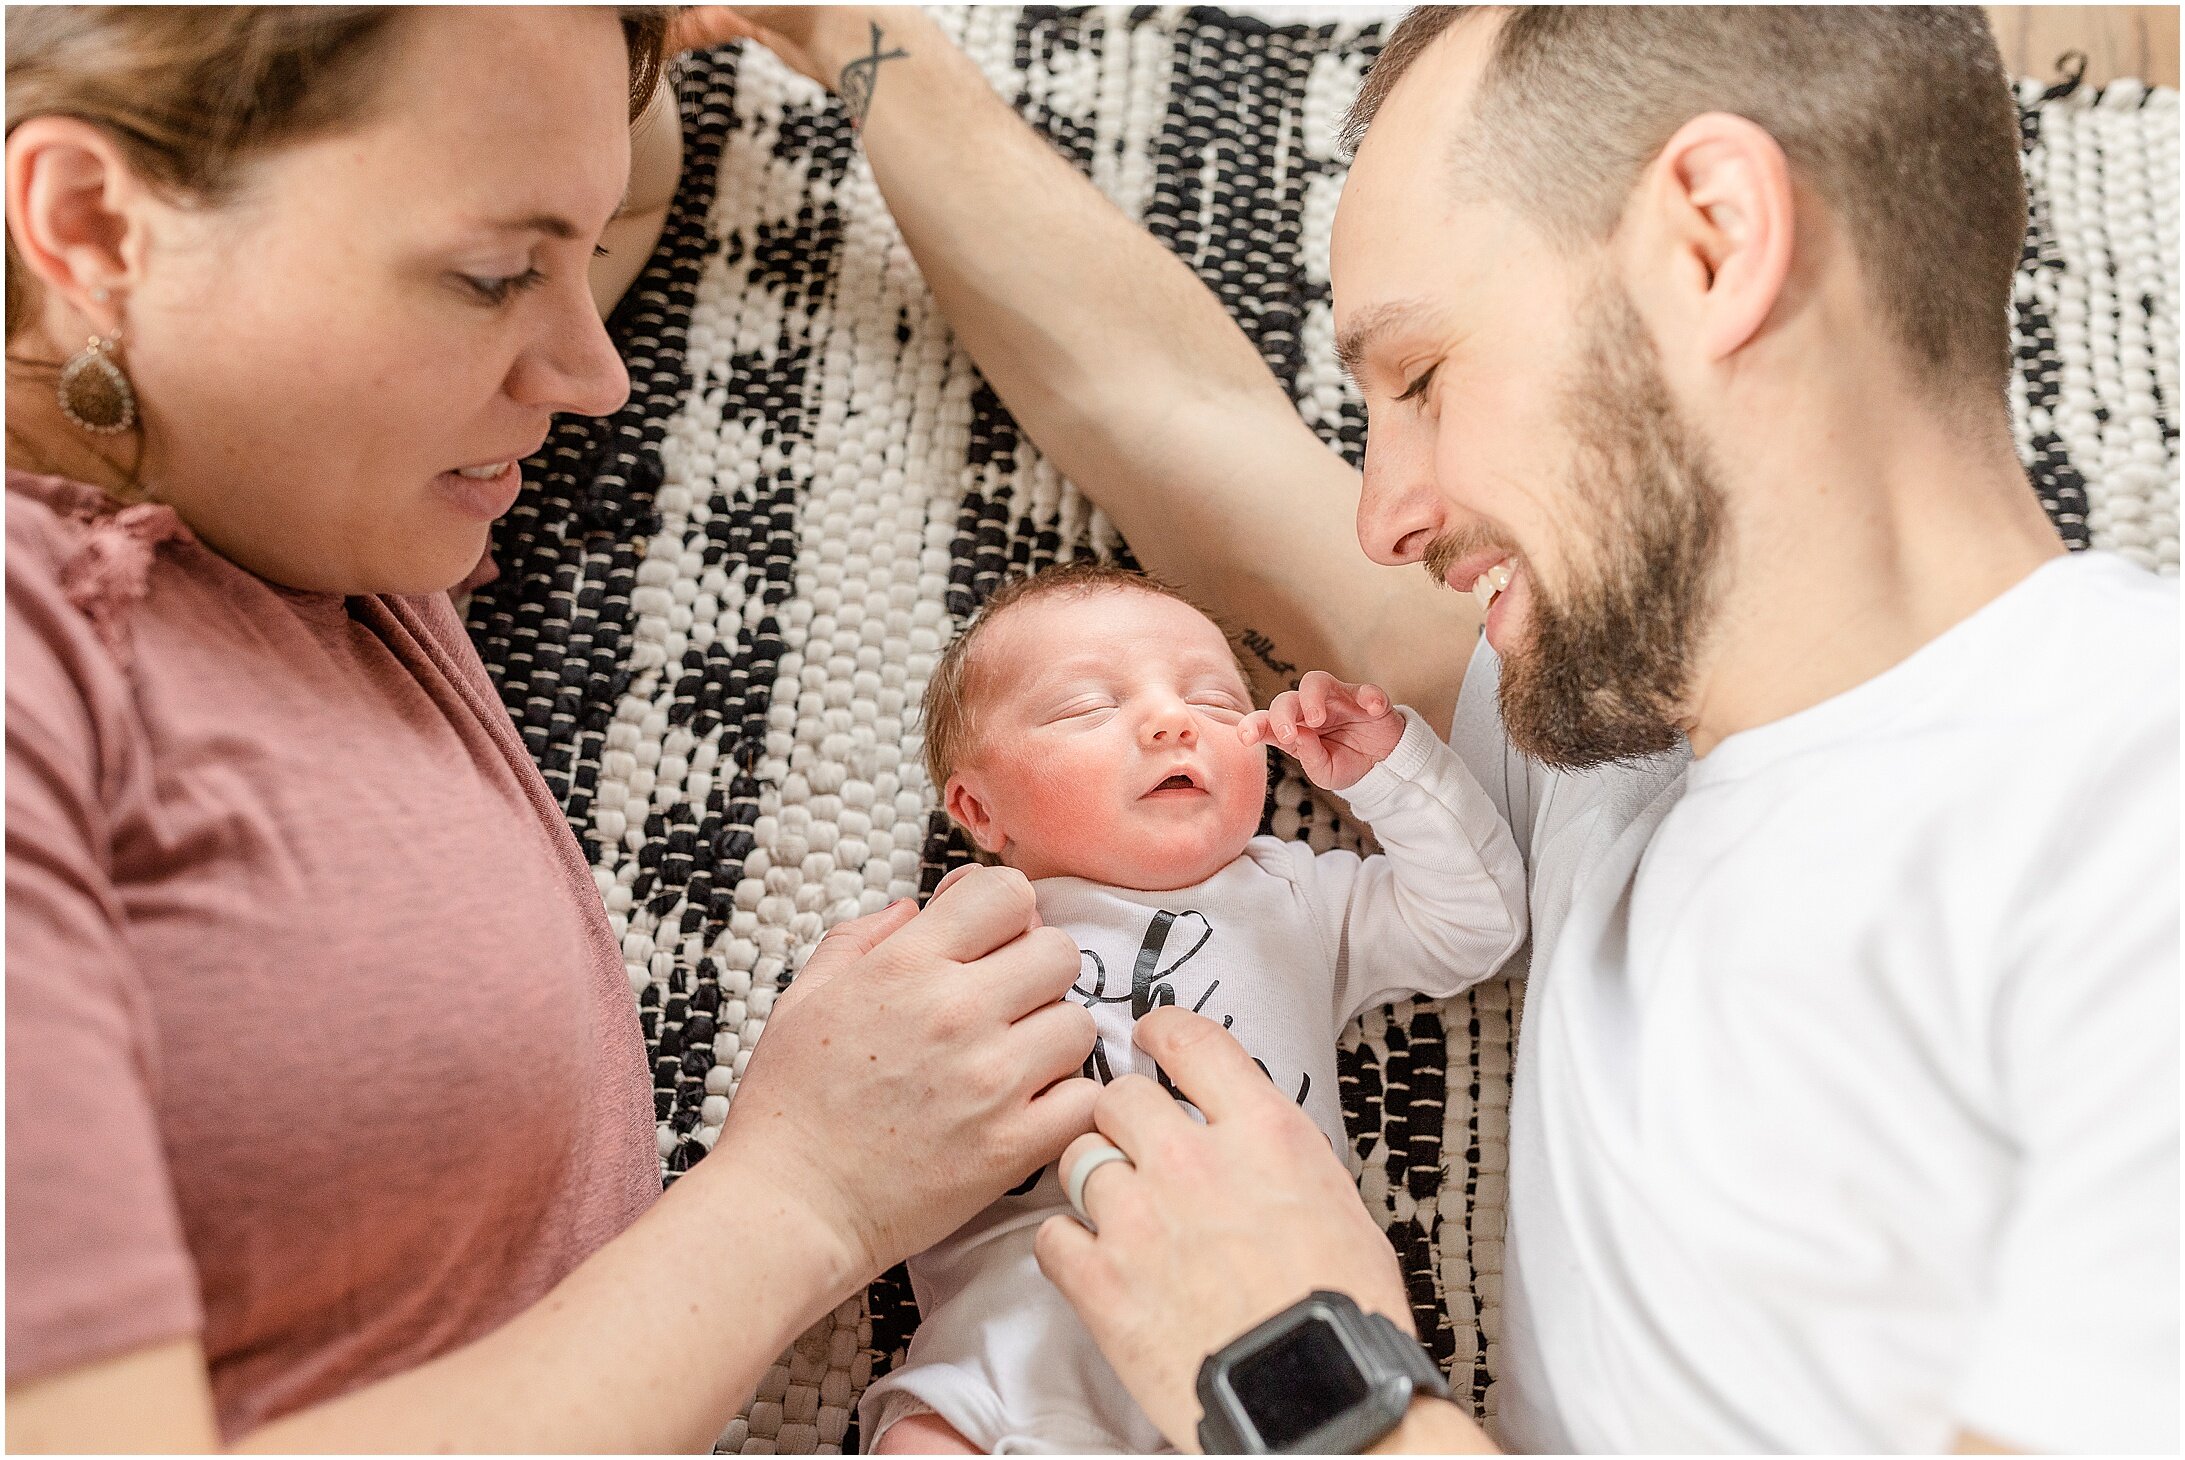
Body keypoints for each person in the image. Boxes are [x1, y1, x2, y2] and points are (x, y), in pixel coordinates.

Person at [721, 4, 2180, 1453]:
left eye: (1420, 378)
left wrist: (1299, 1374)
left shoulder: (2126, 795)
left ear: (1715, 243)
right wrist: (860, 40)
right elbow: (1176, 416)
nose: (1384, 513)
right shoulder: (1615, 748)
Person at [4, 8, 1101, 1451]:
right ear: (91, 223)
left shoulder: (287, 498)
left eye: (576, 262)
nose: (594, 375)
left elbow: (634, 171)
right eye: (493, 275)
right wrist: (802, 1195)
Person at [857, 563, 1524, 1452]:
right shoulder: (965, 930)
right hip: (1017, 1333)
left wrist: (1392, 775)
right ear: (979, 807)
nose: (1172, 720)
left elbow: (1477, 926)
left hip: (1270, 1338)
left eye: (1215, 701)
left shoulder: (1296, 897)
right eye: (1084, 709)